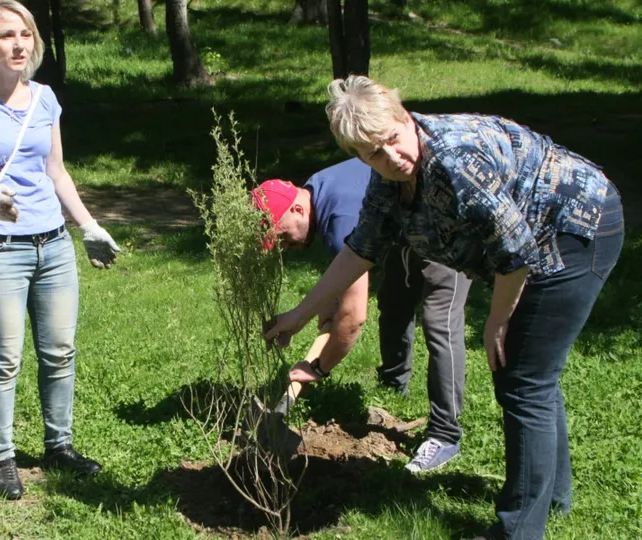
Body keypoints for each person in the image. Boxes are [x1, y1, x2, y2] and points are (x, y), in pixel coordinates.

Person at [264, 75, 623, 539]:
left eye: (393, 139)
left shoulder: (455, 162)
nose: (393, 158)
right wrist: (299, 314)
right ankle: (551, 497)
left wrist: (496, 320)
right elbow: (360, 250)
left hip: (574, 229)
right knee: (530, 374)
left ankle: (518, 531)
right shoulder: (387, 181)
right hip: (534, 243)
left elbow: (515, 251)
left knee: (523, 380)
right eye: (373, 153)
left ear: (403, 116)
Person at [0, 0, 120, 501]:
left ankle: (58, 446)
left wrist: (87, 226)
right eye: (5, 36)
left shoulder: (44, 99)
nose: (18, 44)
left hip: (53, 246)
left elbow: (55, 170)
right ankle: (2, 459)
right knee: (3, 359)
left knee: (60, 352)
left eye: (25, 34)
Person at [252, 157, 471, 472]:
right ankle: (394, 385)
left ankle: (445, 436)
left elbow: (354, 317)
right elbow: (347, 266)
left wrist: (320, 367)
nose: (283, 247)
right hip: (405, 217)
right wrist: (328, 304)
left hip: (445, 217)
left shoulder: (339, 216)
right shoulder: (316, 190)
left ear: (297, 210)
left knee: (440, 322)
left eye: (282, 236)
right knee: (395, 300)